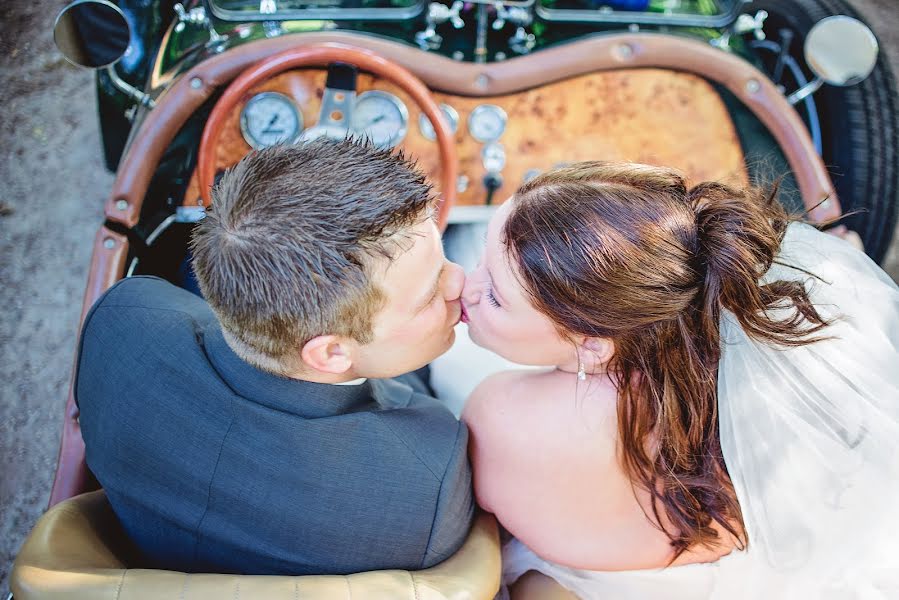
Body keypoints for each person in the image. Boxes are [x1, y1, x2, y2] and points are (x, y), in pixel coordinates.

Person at [442, 162, 899, 598]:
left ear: (593, 345)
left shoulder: (498, 418)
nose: (467, 284)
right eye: (483, 255)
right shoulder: (755, 403)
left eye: (497, 298)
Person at [75, 138, 474, 576]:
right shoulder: (425, 483)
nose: (461, 282)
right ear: (332, 352)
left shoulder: (120, 323)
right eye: (430, 292)